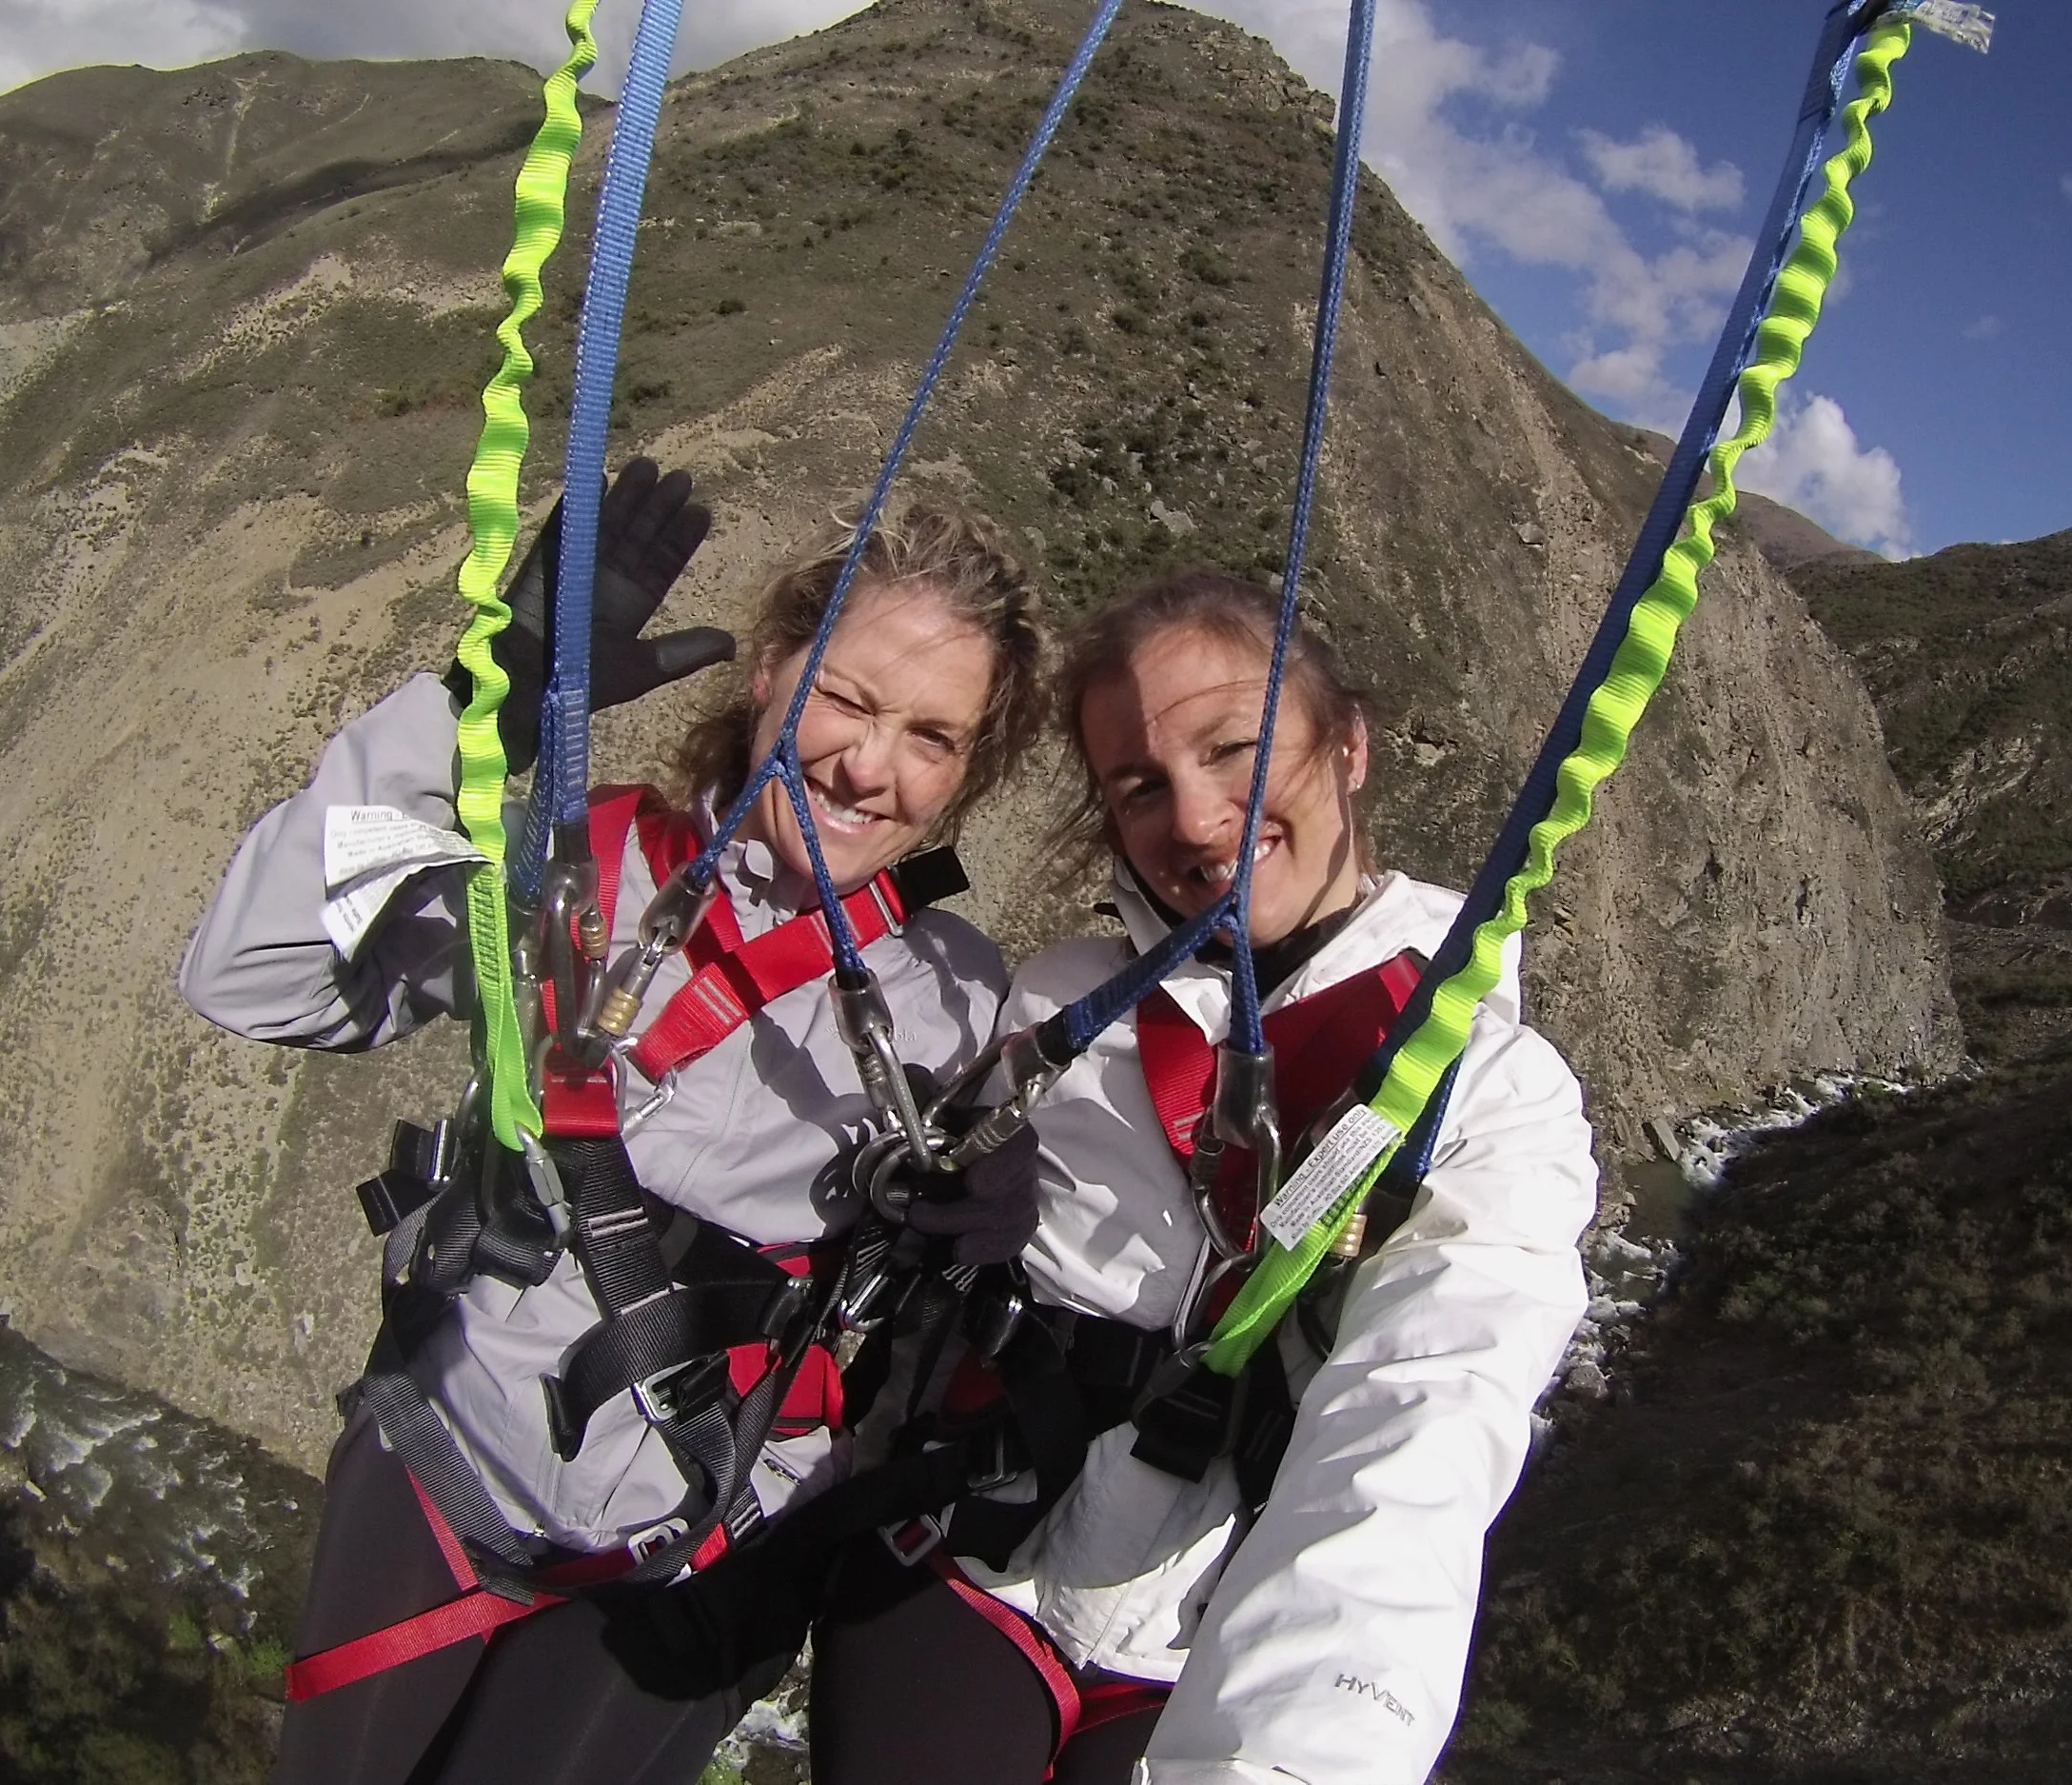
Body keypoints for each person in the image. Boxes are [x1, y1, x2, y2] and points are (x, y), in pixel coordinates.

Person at [177, 460, 1050, 1784]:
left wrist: (1001, 1216)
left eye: (931, 736)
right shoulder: (568, 862)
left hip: (703, 1537)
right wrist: (489, 704)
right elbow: (253, 972)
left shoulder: (961, 1001)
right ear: (767, 669)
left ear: (971, 770)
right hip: (450, 1450)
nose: (872, 764)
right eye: (848, 697)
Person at [808, 570, 1599, 1785]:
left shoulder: (1477, 1088)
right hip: (964, 1553)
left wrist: (1292, 1756)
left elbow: (1420, 1421)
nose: (1194, 820)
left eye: (1235, 753)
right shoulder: (1057, 1005)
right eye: (1140, 788)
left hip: (1206, 1637)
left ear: (1349, 748)